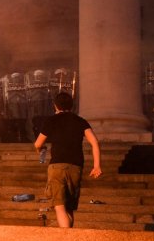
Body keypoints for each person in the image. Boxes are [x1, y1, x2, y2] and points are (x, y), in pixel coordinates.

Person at [33, 92, 102, 228]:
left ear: (55, 105)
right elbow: (94, 142)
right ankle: (70, 238)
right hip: (76, 167)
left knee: (59, 206)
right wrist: (97, 166)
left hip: (57, 166)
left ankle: (66, 240)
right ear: (72, 105)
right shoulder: (80, 121)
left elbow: (37, 144)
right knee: (69, 207)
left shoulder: (51, 120)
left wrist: (40, 150)